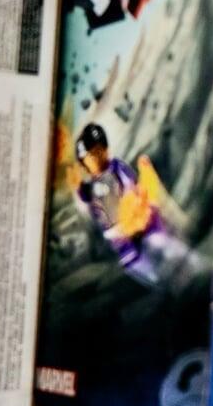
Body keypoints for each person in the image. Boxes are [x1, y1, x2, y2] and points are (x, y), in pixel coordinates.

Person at [72, 122, 182, 286]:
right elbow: (90, 198)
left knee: (167, 257)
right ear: (84, 163)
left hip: (143, 229)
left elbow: (130, 190)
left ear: (105, 149)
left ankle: (180, 275)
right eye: (90, 157)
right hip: (125, 247)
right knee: (153, 276)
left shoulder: (117, 169)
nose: (96, 158)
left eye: (98, 152)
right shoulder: (93, 185)